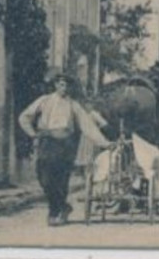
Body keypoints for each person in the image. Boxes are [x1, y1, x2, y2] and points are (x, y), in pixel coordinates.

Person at [18, 71, 108, 226]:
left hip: (65, 145)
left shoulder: (73, 105)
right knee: (44, 177)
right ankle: (63, 207)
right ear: (55, 85)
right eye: (61, 84)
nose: (64, 88)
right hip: (47, 142)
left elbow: (87, 125)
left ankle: (55, 212)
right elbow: (24, 117)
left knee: (60, 180)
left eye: (67, 85)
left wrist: (104, 142)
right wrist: (33, 134)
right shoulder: (44, 101)